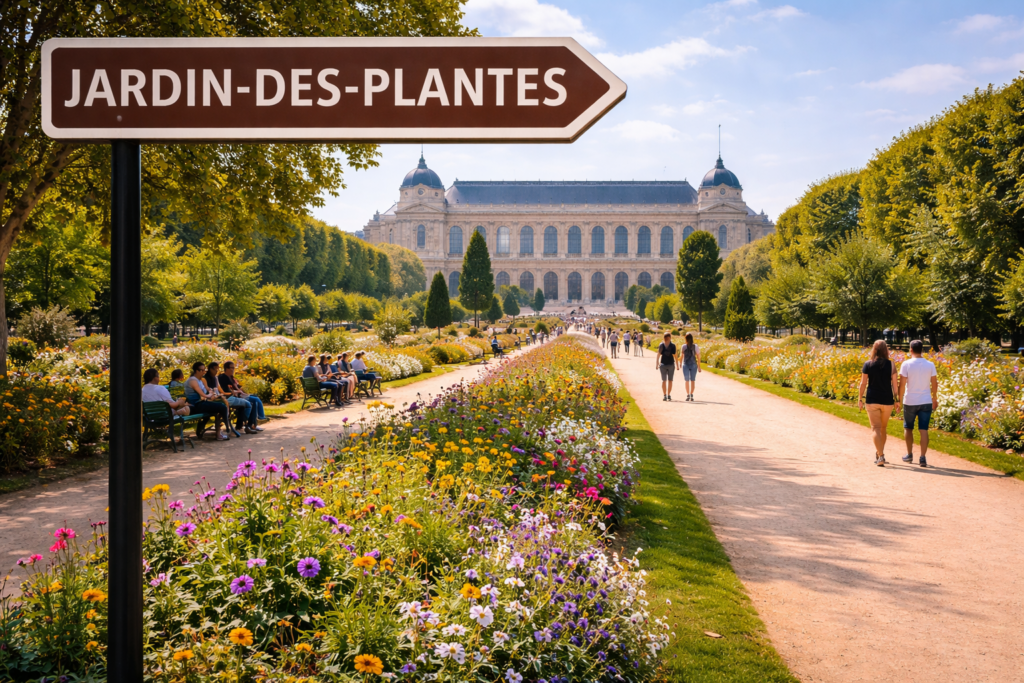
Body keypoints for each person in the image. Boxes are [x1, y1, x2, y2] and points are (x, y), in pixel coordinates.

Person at [858, 340, 899, 467]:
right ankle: (880, 453)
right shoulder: (891, 365)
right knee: (883, 428)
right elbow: (895, 385)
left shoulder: (868, 364)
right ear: (885, 350)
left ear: (874, 350)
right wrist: (897, 400)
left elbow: (863, 383)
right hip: (887, 400)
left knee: (875, 428)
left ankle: (880, 455)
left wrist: (860, 398)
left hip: (872, 399)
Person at [898, 339, 938, 467]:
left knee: (908, 428)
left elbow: (902, 384)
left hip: (910, 400)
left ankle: (909, 455)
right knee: (923, 430)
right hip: (925, 400)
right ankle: (922, 457)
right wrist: (935, 398)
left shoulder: (906, 364)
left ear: (911, 349)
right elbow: (934, 383)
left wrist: (898, 399)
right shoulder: (930, 365)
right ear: (922, 350)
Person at [184, 362, 231, 440]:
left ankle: (205, 429)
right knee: (222, 406)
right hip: (195, 405)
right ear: (196, 371)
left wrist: (212, 394)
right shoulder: (193, 380)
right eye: (202, 370)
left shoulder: (200, 380)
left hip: (201, 403)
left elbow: (207, 391)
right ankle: (227, 426)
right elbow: (203, 395)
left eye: (204, 370)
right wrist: (209, 395)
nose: (204, 372)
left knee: (218, 406)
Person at [220, 361, 265, 431]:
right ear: (226, 368)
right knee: (254, 400)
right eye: (231, 368)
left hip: (238, 396)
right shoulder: (222, 377)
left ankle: (253, 424)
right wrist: (238, 391)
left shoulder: (231, 378)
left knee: (255, 398)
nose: (233, 369)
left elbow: (238, 387)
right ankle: (252, 424)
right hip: (232, 397)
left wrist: (242, 390)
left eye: (233, 368)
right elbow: (228, 389)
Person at [206, 362, 250, 434]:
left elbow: (222, 392)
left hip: (222, 398)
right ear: (210, 369)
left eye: (217, 369)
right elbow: (208, 391)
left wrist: (231, 393)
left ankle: (243, 426)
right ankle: (247, 425)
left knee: (245, 404)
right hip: (215, 399)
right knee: (248, 404)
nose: (217, 371)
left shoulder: (216, 378)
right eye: (215, 369)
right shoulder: (206, 379)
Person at [656, 332, 679, 401]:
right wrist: (657, 363)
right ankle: (666, 394)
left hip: (669, 364)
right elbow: (659, 354)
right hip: (665, 364)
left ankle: (667, 394)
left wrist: (677, 365)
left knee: (668, 380)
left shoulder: (672, 346)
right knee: (666, 380)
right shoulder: (662, 345)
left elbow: (675, 355)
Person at [680, 332, 700, 401]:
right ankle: (691, 394)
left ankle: (688, 394)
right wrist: (699, 366)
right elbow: (698, 356)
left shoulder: (684, 346)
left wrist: (680, 363)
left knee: (687, 380)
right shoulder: (695, 346)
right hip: (693, 364)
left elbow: (682, 355)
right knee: (692, 380)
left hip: (686, 364)